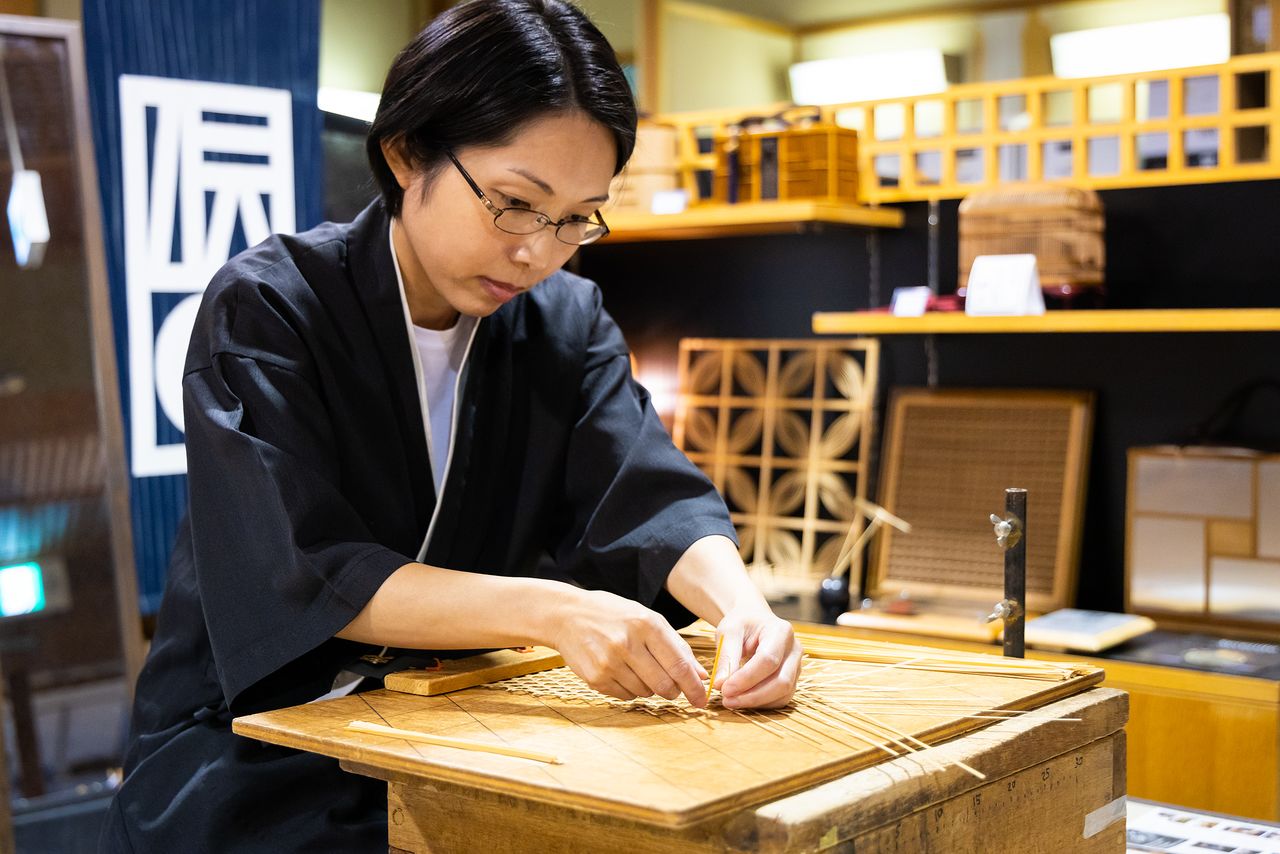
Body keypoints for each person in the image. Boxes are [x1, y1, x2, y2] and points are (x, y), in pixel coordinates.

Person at [100, 1, 801, 850]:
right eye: (514, 203)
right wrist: (555, 613)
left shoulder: (565, 323)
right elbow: (308, 568)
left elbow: (646, 490)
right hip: (256, 751)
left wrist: (744, 613)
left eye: (577, 217)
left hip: (460, 732)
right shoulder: (271, 308)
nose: (538, 253)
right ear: (406, 153)